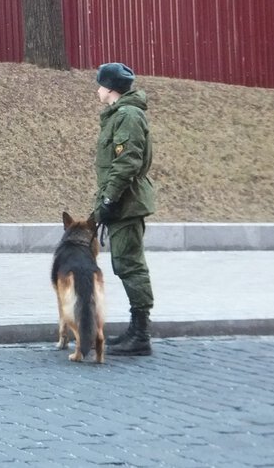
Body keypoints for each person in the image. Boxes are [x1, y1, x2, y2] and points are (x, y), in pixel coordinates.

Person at [93, 62, 156, 356]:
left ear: (110, 88)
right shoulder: (119, 115)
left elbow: (127, 162)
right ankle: (136, 329)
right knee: (125, 263)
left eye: (100, 84)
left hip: (126, 202)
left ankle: (141, 333)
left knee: (130, 263)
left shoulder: (128, 116)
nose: (97, 89)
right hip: (121, 200)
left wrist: (110, 200)